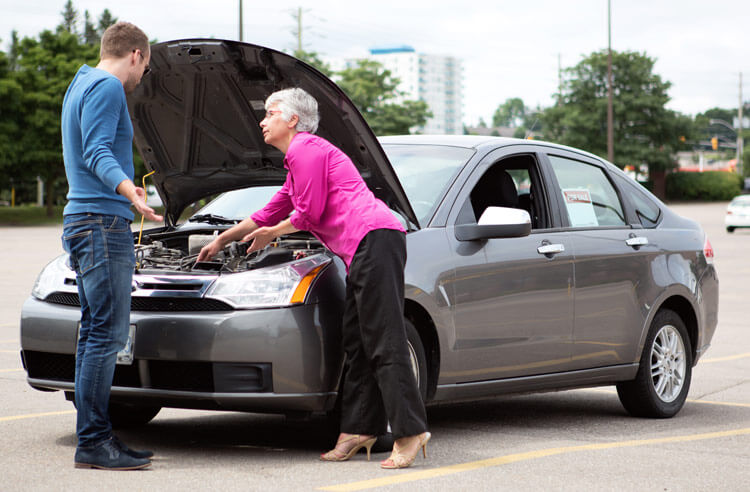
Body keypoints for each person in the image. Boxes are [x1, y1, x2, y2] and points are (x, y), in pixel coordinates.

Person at [197, 88, 431, 469]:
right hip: (363, 249)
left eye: (269, 113)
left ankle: (410, 431)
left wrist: (273, 234)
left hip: (376, 239)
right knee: (356, 343)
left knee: (385, 340)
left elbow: (307, 213)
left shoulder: (306, 149)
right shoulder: (298, 160)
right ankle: (358, 429)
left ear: (292, 120)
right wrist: (222, 238)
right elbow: (271, 209)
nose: (262, 121)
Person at [61, 21, 162, 470]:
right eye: (146, 66)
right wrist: (130, 190)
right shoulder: (107, 87)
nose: (142, 77)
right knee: (107, 335)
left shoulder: (79, 83)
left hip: (81, 220)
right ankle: (96, 441)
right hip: (102, 223)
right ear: (136, 55)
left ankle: (94, 437)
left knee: (93, 333)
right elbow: (98, 150)